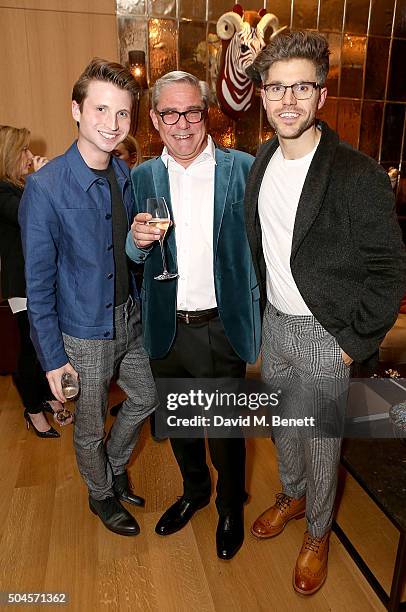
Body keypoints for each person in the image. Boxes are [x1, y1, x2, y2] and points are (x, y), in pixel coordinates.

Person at [244, 31, 406, 595]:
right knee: (285, 430)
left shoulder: (357, 174)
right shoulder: (261, 160)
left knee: (321, 441)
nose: (287, 101)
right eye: (276, 88)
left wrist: (354, 339)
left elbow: (389, 269)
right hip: (276, 325)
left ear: (320, 95)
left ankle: (319, 530)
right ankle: (291, 496)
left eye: (301, 88)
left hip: (324, 335)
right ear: (262, 96)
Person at [19, 59, 158, 537]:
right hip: (81, 334)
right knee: (89, 423)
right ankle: (100, 494)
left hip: (129, 319)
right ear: (76, 110)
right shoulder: (44, 186)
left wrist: (139, 244)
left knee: (147, 395)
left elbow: (121, 252)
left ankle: (114, 465)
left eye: (122, 114)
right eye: (101, 109)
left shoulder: (123, 173)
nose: (112, 124)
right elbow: (37, 286)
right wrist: (52, 360)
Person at [126, 71, 261, 560]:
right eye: (170, 113)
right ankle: (195, 492)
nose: (182, 123)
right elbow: (130, 256)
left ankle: (230, 506)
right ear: (156, 120)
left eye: (192, 111)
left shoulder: (242, 167)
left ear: (206, 114)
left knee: (225, 430)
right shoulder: (142, 176)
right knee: (180, 425)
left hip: (221, 327)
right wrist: (135, 244)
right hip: (166, 325)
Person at [0, 124, 64, 438]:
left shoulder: (20, 187)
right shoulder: (3, 191)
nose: (30, 156)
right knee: (30, 347)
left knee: (43, 344)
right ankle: (33, 409)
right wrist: (43, 180)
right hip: (22, 283)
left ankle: (47, 396)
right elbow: (29, 216)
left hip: (37, 279)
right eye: (23, 150)